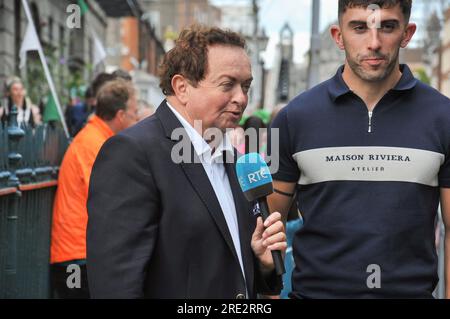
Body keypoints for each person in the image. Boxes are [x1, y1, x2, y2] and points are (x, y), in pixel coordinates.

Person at [86, 25, 286, 299]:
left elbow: (232, 272)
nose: (241, 98)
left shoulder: (239, 163)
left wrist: (262, 264)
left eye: (246, 86)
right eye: (228, 84)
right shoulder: (132, 154)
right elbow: (115, 285)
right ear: (182, 87)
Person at [268, 0, 450, 298]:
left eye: (388, 27)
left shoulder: (444, 118)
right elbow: (267, 233)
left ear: (408, 33)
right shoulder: (293, 119)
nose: (374, 43)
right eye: (360, 28)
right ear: (338, 36)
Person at [50, 79, 139, 299]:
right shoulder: (94, 143)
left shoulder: (96, 139)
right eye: (134, 113)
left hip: (81, 256)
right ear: (120, 116)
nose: (137, 119)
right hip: (78, 258)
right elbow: (112, 200)